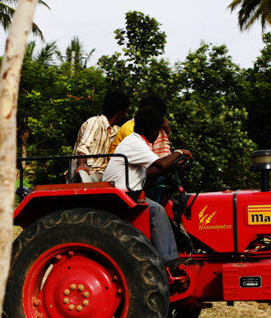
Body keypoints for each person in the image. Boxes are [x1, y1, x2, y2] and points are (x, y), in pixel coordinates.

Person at [102, 106, 192, 269]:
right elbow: (162, 164)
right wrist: (180, 152)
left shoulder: (136, 142)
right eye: (158, 130)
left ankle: (177, 250)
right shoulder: (135, 143)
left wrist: (173, 167)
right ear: (153, 131)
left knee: (165, 205)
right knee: (156, 210)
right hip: (123, 195)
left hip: (129, 192)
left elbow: (153, 171)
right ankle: (169, 260)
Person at [70, 91, 130, 182]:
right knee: (84, 177)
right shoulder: (95, 122)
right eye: (125, 112)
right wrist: (81, 165)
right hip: (88, 171)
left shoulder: (116, 131)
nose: (125, 115)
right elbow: (84, 146)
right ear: (120, 112)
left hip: (104, 175)